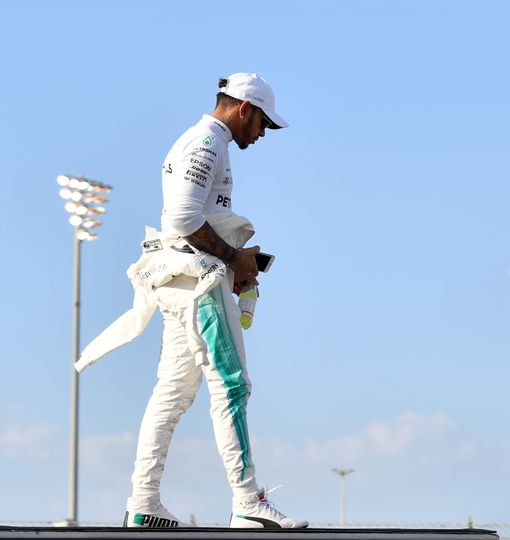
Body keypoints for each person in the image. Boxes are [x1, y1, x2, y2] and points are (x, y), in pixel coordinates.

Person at [123, 73, 308, 529]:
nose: (263, 134)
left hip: (183, 280)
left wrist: (238, 264)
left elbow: (193, 217)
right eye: (263, 123)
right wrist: (234, 258)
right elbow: (183, 217)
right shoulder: (207, 143)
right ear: (244, 108)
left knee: (171, 393)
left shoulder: (206, 142)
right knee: (232, 385)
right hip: (199, 283)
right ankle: (247, 502)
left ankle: (143, 502)